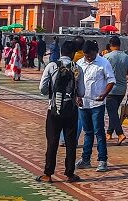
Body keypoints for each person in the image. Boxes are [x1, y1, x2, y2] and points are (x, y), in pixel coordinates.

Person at [37, 40, 86, 183]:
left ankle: (48, 174)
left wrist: (51, 93)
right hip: (71, 110)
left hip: (54, 109)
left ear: (61, 52)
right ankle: (70, 173)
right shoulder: (77, 68)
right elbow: (81, 92)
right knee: (71, 142)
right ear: (72, 54)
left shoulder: (52, 66)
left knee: (52, 141)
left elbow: (42, 88)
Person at [75, 40, 115, 172]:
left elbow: (111, 81)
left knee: (99, 131)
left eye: (90, 55)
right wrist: (77, 96)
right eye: (86, 55)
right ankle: (85, 159)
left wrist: (104, 94)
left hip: (97, 103)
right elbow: (75, 82)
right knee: (88, 132)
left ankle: (102, 159)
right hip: (83, 104)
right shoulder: (79, 63)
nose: (89, 58)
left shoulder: (103, 63)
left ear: (95, 52)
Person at [104, 35, 128, 146]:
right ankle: (109, 132)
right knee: (114, 111)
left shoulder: (106, 57)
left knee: (112, 112)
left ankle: (120, 134)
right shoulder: (126, 57)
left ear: (110, 45)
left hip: (110, 89)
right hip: (122, 89)